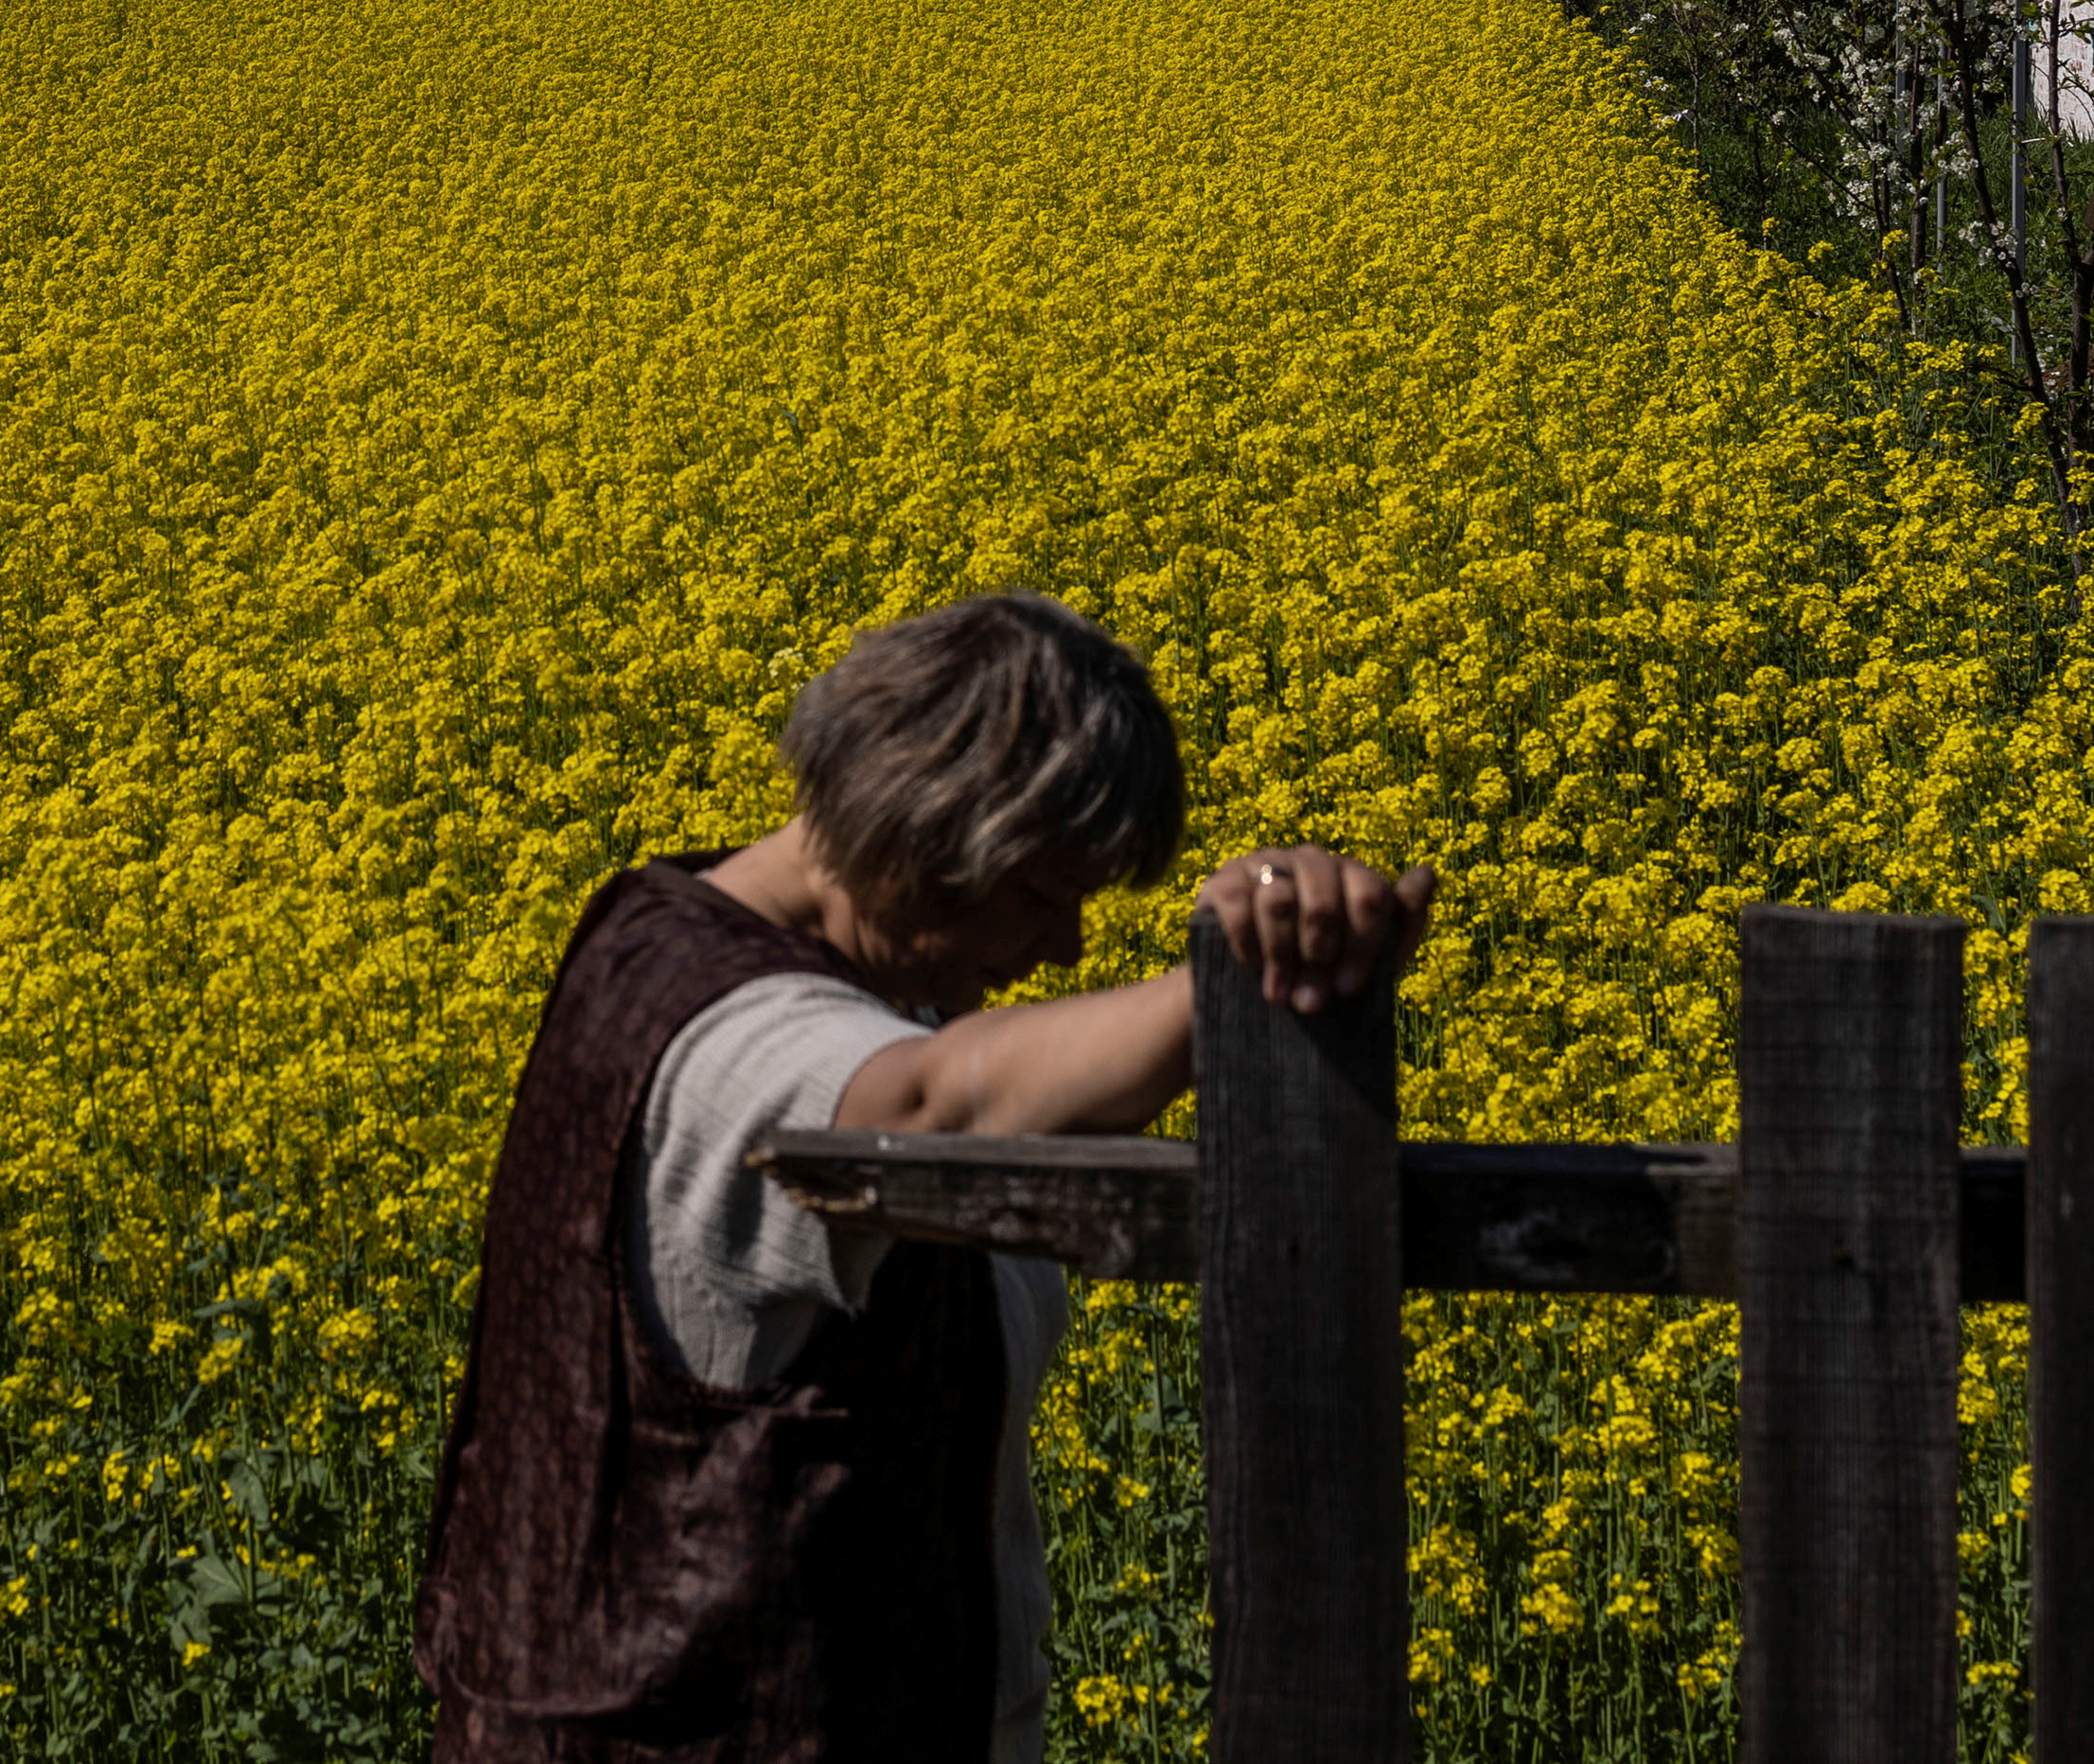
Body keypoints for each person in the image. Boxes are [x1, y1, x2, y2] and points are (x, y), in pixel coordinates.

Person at [413, 591, 1435, 1762]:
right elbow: (928, 1106)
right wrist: (1234, 982)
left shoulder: (675, 943)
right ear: (921, 837)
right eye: (1044, 895)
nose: (1063, 951)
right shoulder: (731, 1045)